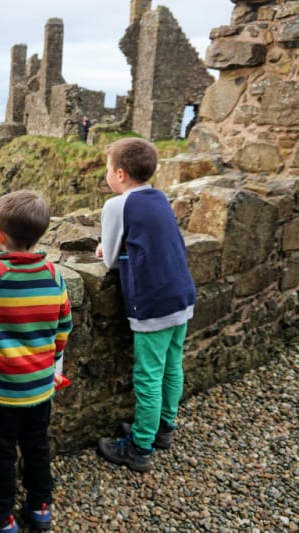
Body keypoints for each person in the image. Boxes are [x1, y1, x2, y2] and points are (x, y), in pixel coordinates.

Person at [0, 190, 73, 533]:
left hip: (0, 389)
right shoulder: (54, 275)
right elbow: (63, 328)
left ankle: (1, 519)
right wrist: (51, 359)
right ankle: (41, 507)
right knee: (37, 446)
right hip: (40, 386)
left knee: (1, 455)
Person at [95, 137, 196, 473]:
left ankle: (139, 446)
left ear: (121, 174)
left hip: (152, 303)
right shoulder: (159, 197)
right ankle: (163, 428)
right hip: (181, 294)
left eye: (108, 169)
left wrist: (101, 249)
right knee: (172, 366)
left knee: (148, 376)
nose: (106, 175)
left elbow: (109, 259)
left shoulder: (117, 205)